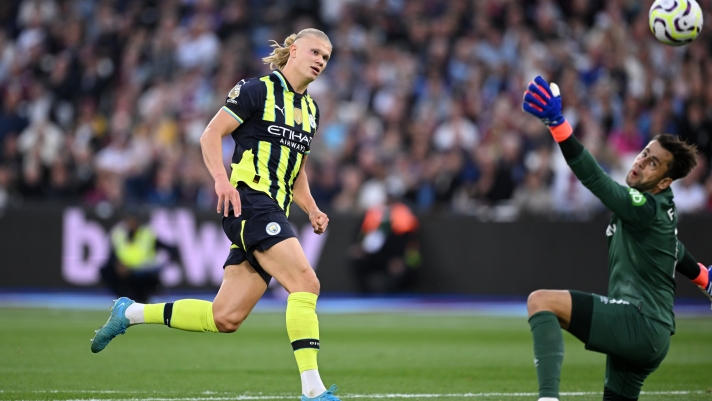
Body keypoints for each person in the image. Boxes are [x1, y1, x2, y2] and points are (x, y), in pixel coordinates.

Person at [90, 29, 342, 401]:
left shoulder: (311, 110)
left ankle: (130, 313)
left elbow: (297, 170)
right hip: (249, 202)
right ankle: (313, 390)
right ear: (293, 49)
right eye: (315, 51)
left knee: (225, 317)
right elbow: (211, 134)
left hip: (271, 208)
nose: (321, 60)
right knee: (306, 283)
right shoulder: (257, 90)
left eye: (327, 56)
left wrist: (313, 208)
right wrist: (222, 182)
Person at [521, 76, 712, 401]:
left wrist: (558, 125)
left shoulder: (644, 206)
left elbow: (595, 179)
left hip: (638, 321)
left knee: (541, 302)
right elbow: (674, 251)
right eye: (644, 153)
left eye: (653, 163)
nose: (640, 162)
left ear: (665, 181)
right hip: (653, 336)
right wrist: (705, 278)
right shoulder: (662, 209)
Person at [99, 210, 180, 304]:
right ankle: (122, 298)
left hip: (144, 273)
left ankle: (142, 296)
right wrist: (117, 264)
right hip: (125, 272)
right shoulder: (119, 234)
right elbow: (113, 254)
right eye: (128, 221)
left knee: (142, 280)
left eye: (132, 221)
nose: (130, 224)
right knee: (106, 270)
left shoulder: (147, 234)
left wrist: (161, 267)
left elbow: (171, 250)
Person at [349, 194, 421, 293]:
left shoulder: (404, 217)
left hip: (394, 258)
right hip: (372, 256)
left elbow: (410, 242)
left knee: (406, 267)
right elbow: (361, 236)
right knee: (356, 260)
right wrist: (358, 247)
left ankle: (396, 295)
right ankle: (365, 294)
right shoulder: (372, 215)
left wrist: (401, 259)